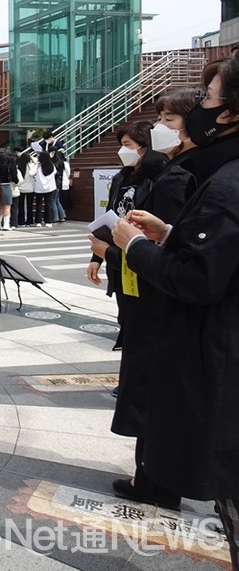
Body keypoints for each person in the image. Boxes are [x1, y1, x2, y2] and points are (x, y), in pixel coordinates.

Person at [111, 53, 239, 568]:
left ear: (230, 111)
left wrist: (135, 248)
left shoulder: (225, 183)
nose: (198, 112)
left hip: (217, 359)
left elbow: (198, 278)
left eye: (207, 98)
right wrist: (169, 234)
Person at [85, 120, 155, 353]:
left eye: (128, 144)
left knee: (142, 319)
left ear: (144, 147)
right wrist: (96, 258)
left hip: (140, 255)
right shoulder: (119, 178)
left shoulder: (154, 179)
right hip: (117, 257)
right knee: (125, 313)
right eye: (121, 144)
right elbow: (109, 217)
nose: (123, 150)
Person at [0, 150, 18, 230]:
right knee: (7, 205)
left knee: (0, 206)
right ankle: (6, 225)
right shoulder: (8, 166)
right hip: (6, 185)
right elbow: (15, 178)